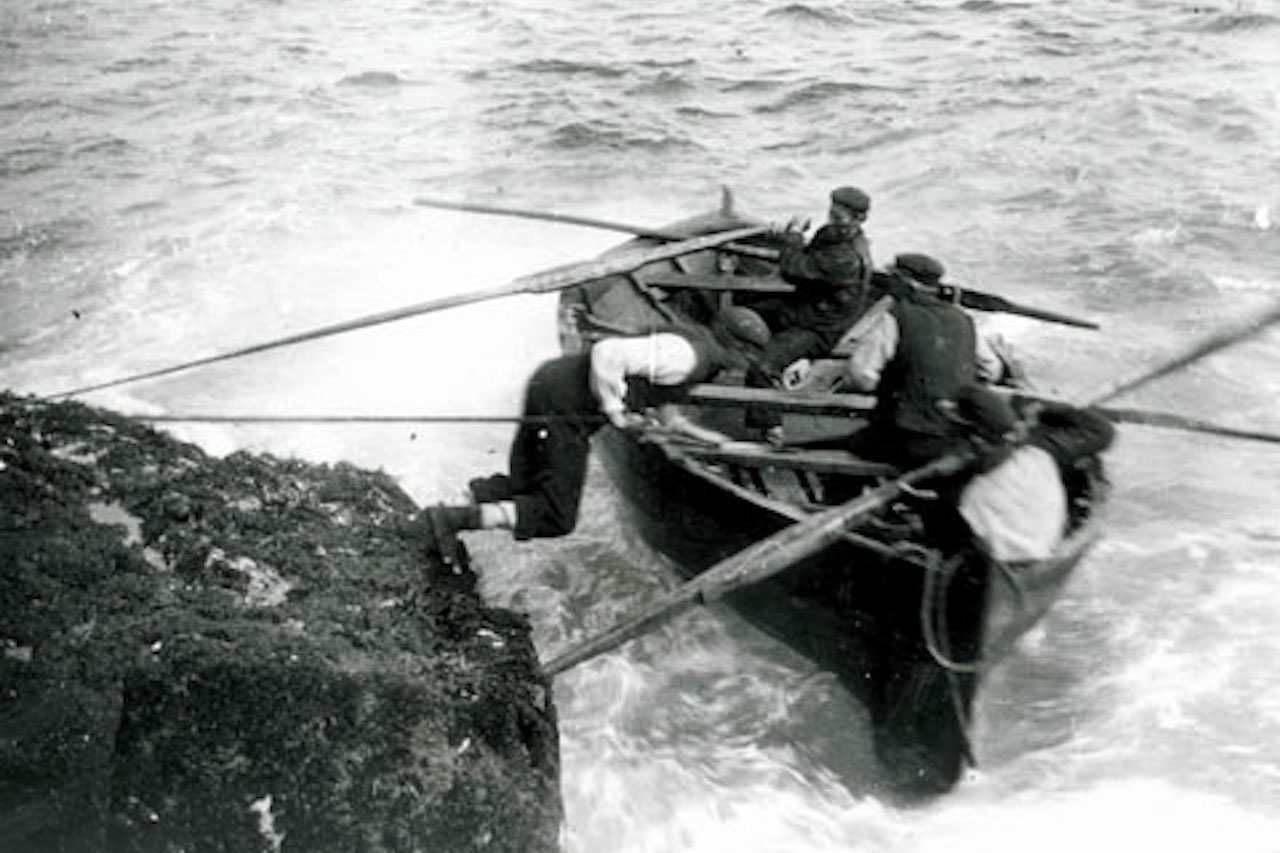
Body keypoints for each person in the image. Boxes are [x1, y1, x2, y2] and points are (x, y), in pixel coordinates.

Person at [423, 307, 771, 551]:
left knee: (528, 483)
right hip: (564, 408)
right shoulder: (686, 356)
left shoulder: (694, 350)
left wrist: (722, 444)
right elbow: (607, 352)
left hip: (550, 384)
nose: (747, 367)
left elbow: (671, 419)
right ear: (737, 348)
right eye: (749, 358)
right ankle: (448, 520)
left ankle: (441, 509)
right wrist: (615, 410)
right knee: (557, 517)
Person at [839, 252, 1005, 469]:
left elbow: (862, 375)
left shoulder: (896, 317)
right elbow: (992, 370)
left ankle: (837, 497)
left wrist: (895, 387)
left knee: (850, 444)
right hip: (953, 436)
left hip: (908, 437)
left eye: (893, 278)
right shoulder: (964, 319)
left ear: (904, 283)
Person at [744, 185, 876, 442]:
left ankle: (771, 428)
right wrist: (787, 239)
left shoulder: (847, 257)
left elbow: (794, 267)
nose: (832, 222)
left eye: (839, 218)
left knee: (763, 367)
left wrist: (792, 237)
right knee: (749, 307)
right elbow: (807, 256)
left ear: (859, 220)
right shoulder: (832, 235)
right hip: (805, 308)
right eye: (831, 214)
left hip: (818, 328)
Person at [946, 383, 1116, 562]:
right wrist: (1043, 411)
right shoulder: (1041, 451)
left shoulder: (971, 494)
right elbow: (1101, 430)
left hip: (1006, 554)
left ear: (976, 439)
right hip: (1036, 548)